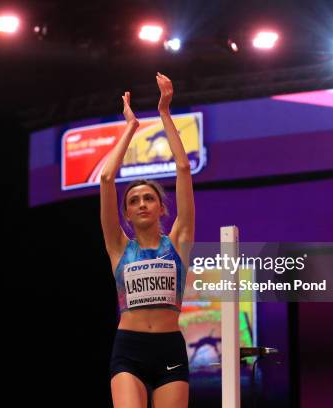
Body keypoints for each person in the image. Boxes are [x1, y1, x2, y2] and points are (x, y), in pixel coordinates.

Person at [100, 73, 195, 408]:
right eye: (133, 200)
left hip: (170, 349)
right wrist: (131, 127)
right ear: (126, 213)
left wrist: (165, 112)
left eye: (148, 198)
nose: (141, 203)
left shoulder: (179, 240)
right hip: (129, 349)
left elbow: (183, 169)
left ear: (160, 207)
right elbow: (107, 177)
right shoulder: (119, 247)